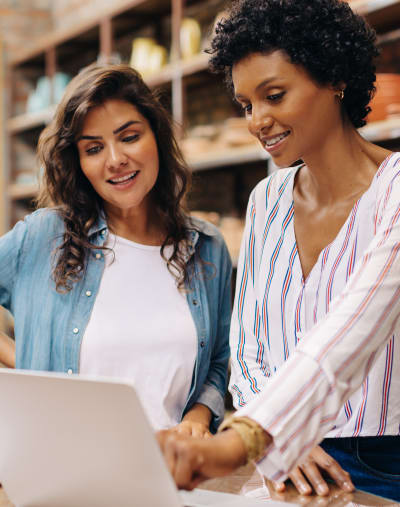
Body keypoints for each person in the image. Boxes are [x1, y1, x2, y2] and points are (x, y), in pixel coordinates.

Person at [157, 0, 400, 501]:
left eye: (274, 95)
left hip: (385, 461)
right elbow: (247, 348)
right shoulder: (266, 200)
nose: (257, 121)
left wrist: (262, 431)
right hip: (282, 460)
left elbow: (354, 328)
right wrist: (280, 440)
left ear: (334, 79)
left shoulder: (394, 192)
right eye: (247, 105)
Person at [0, 64, 232, 436]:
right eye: (93, 148)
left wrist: (198, 416)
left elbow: (218, 362)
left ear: (155, 136)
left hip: (171, 475)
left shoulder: (207, 248)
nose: (115, 159)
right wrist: (28, 366)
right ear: (79, 163)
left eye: (129, 137)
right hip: (63, 472)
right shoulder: (45, 236)